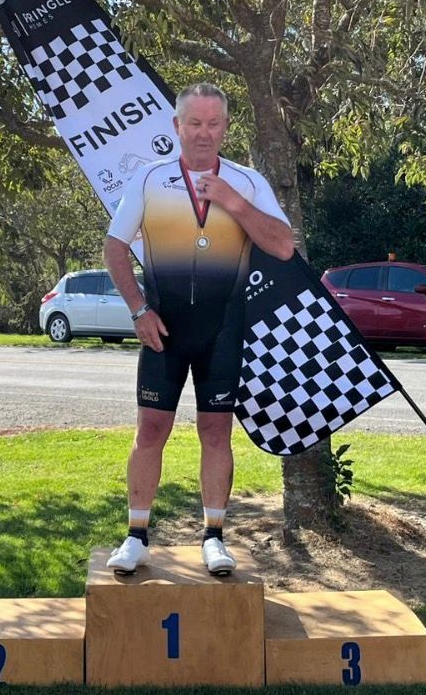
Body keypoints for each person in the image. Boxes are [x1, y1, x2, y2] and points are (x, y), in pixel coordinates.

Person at [103, 82, 294, 575]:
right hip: (163, 331)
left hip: (222, 332)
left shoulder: (247, 181)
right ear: (177, 126)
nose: (204, 133)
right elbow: (114, 247)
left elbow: (282, 245)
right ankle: (136, 536)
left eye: (213, 123)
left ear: (226, 127)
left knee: (216, 432)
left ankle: (213, 536)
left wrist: (233, 201)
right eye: (194, 123)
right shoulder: (149, 178)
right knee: (151, 430)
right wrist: (139, 310)